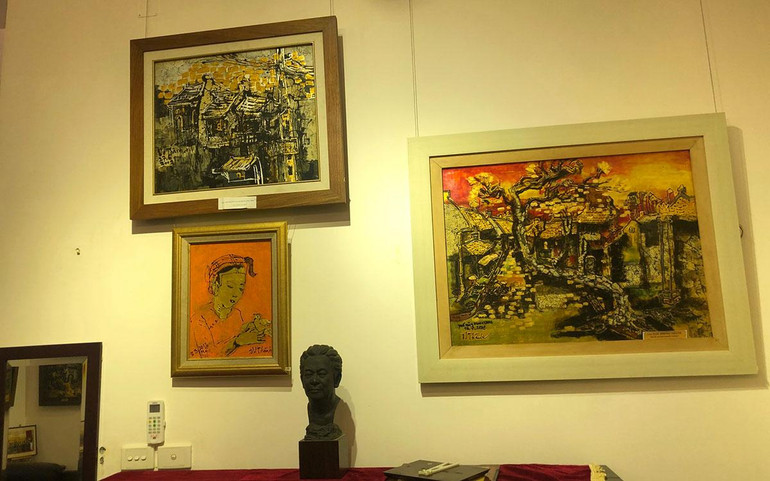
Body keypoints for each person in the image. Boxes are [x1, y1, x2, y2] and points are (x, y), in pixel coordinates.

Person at [189, 254, 270, 358]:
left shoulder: (236, 314)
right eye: (230, 286)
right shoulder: (200, 319)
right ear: (215, 285)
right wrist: (237, 342)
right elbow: (208, 357)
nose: (236, 294)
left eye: (241, 288)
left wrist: (253, 327)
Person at [300, 345, 343, 440]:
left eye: (321, 374)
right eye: (308, 374)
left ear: (337, 378)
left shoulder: (340, 410)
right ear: (302, 380)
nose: (314, 380)